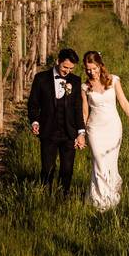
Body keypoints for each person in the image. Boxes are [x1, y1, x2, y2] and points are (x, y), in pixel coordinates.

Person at [81, 50, 129, 210]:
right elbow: (85, 112)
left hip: (113, 128)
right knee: (99, 162)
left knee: (111, 163)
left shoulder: (113, 80)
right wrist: (82, 134)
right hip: (95, 129)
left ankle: (111, 197)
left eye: (94, 68)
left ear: (100, 65)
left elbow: (124, 102)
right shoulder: (85, 87)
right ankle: (101, 202)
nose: (91, 72)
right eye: (88, 69)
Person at [27, 48, 86, 195]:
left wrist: (81, 132)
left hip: (69, 132)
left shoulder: (76, 81)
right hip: (48, 131)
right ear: (57, 61)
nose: (67, 71)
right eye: (65, 67)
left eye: (71, 68)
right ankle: (45, 196)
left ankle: (63, 197)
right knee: (47, 168)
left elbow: (78, 109)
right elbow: (33, 104)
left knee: (67, 169)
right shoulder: (41, 78)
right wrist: (35, 121)